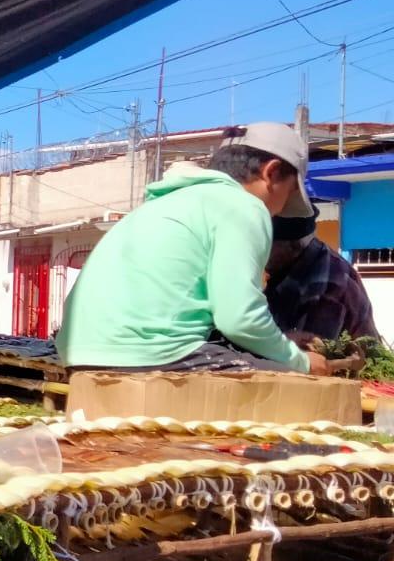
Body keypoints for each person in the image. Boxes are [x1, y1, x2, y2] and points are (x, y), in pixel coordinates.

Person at [57, 122, 329, 376]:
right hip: (148, 358)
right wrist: (299, 361)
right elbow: (240, 319)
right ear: (271, 172)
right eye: (289, 193)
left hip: (79, 356)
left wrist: (278, 344)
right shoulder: (243, 206)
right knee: (298, 387)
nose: (280, 210)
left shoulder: (170, 202)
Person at [266, 211, 379, 346]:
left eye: (265, 244)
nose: (256, 251)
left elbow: (308, 357)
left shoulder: (325, 286)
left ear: (293, 245)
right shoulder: (293, 265)